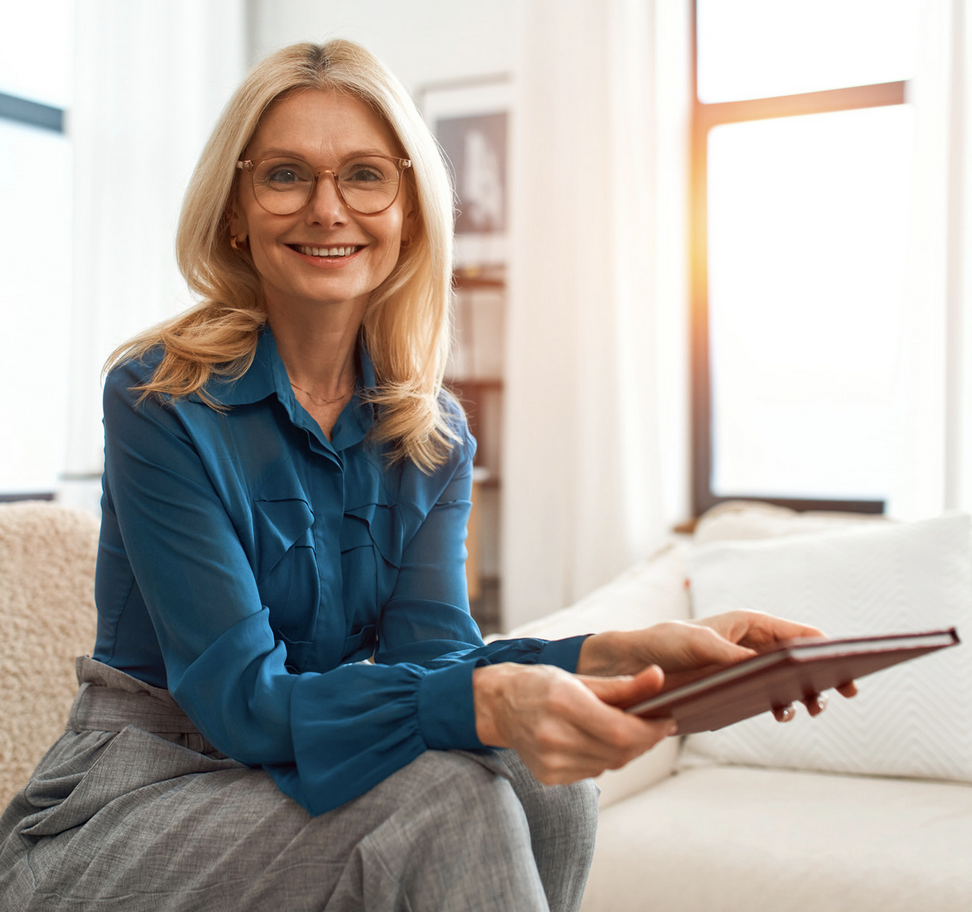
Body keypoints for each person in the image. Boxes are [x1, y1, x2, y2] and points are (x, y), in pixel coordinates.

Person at [0, 39, 849, 912]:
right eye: (286, 175)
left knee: (545, 783)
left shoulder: (430, 434)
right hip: (139, 800)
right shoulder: (158, 397)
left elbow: (435, 665)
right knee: (447, 801)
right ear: (235, 212)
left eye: (365, 176)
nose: (328, 209)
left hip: (288, 776)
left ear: (407, 210)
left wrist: (616, 651)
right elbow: (245, 703)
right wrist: (492, 696)